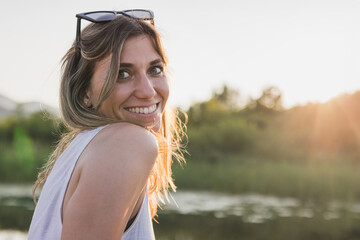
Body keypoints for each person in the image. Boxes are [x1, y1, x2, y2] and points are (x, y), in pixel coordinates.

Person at [28, 9, 186, 240]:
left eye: (155, 69)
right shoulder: (127, 144)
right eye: (122, 73)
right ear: (84, 93)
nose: (148, 91)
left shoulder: (87, 148)